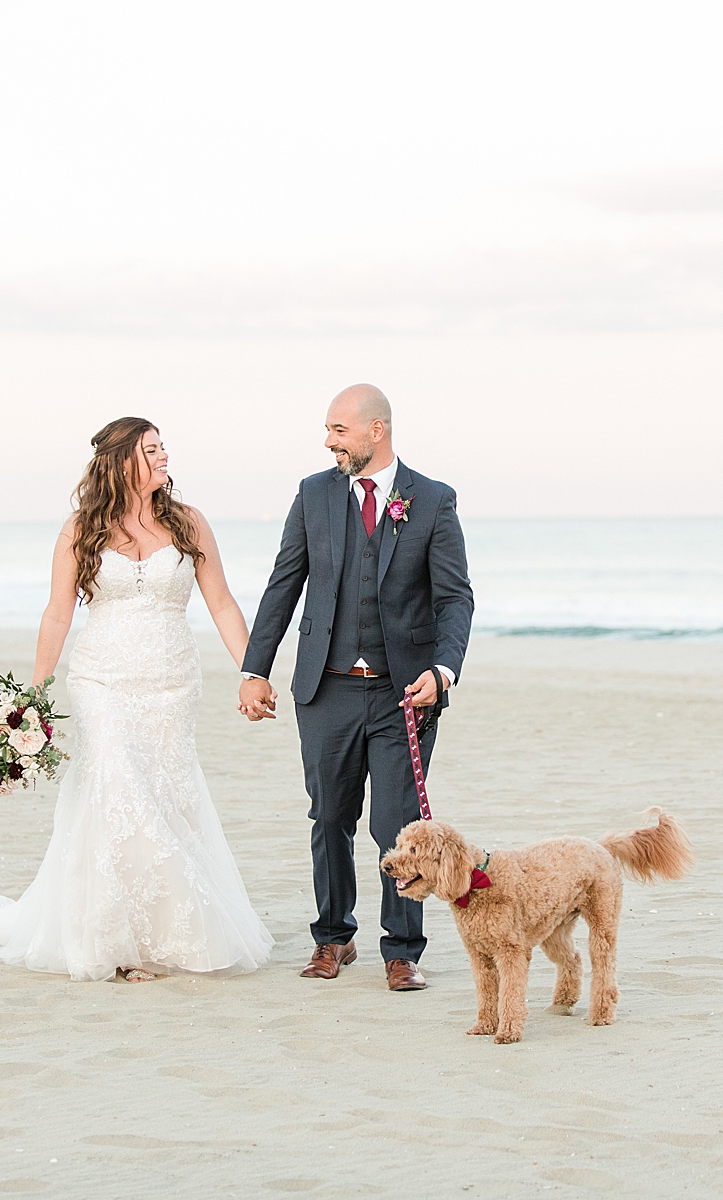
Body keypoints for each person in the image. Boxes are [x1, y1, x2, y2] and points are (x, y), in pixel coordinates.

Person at [0, 417, 274, 982]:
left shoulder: (189, 523)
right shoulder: (81, 529)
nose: (165, 456)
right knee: (116, 791)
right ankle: (114, 943)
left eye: (164, 447)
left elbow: (220, 601)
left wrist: (252, 670)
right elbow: (57, 612)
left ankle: (160, 934)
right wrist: (33, 697)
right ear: (122, 461)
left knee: (166, 796)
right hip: (100, 681)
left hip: (172, 685)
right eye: (152, 449)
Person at [239, 384, 473, 992]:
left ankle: (401, 950)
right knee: (330, 817)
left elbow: (454, 598)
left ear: (377, 430)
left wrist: (443, 670)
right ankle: (333, 941)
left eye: (338, 430)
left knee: (400, 824)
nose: (328, 441)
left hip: (404, 692)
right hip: (326, 689)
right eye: (328, 430)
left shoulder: (433, 500)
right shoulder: (314, 494)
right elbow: (283, 583)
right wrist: (254, 668)